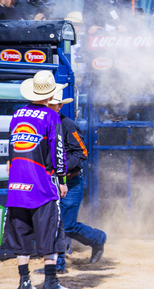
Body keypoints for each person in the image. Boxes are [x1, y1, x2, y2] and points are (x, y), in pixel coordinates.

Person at [2, 70, 69, 289]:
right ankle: (50, 281)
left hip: (17, 186)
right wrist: (62, 179)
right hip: (41, 186)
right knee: (50, 233)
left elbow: (12, 150)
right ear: (50, 95)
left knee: (22, 237)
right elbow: (58, 150)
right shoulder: (52, 116)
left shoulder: (17, 114)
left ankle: (24, 281)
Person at [33, 91, 107, 275]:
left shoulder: (67, 124)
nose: (49, 107)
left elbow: (82, 152)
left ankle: (97, 239)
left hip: (71, 182)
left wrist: (61, 168)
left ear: (59, 106)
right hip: (51, 181)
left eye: (52, 104)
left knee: (66, 225)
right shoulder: (42, 124)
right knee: (56, 224)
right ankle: (57, 265)